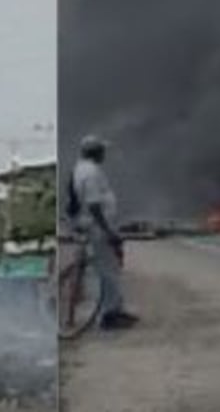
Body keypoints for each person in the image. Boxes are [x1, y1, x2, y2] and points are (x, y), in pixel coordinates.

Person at [71, 135, 138, 330]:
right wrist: (107, 231)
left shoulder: (82, 169)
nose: (104, 154)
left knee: (109, 269)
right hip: (98, 227)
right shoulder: (91, 173)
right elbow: (93, 205)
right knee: (108, 271)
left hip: (95, 225)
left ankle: (114, 309)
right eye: (102, 151)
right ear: (96, 152)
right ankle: (110, 315)